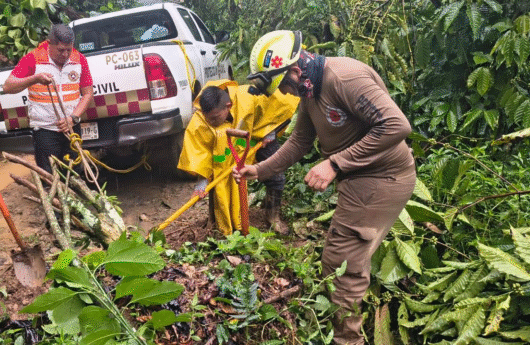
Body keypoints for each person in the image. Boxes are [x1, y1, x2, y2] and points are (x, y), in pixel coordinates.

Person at [234, 30, 416, 344]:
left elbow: (396, 125)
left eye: (285, 86)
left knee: (340, 262)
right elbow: (299, 142)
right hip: (361, 179)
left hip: (382, 178)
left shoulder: (343, 78)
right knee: (346, 259)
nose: (287, 94)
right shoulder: (309, 90)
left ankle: (348, 340)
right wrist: (259, 170)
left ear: (294, 70)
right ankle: (356, 306)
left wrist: (334, 163)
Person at [178, 79, 299, 235]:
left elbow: (277, 103)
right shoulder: (201, 119)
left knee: (275, 174)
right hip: (226, 153)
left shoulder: (247, 95)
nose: (211, 122)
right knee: (218, 180)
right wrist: (202, 180)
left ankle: (272, 217)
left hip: (256, 137)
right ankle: (216, 221)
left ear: (228, 106)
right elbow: (197, 149)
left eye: (215, 118)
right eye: (208, 119)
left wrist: (271, 130)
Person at [2, 24, 94, 174]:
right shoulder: (33, 58)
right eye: (61, 50)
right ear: (49, 44)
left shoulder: (79, 59)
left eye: (68, 50)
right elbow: (8, 86)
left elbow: (88, 93)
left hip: (71, 128)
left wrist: (73, 118)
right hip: (45, 130)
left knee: (75, 172)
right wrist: (35, 79)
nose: (65, 55)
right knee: (49, 174)